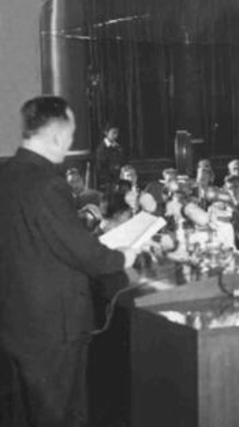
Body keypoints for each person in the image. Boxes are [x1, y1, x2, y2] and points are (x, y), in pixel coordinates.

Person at [0, 96, 140, 427]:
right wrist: (124, 255)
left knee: (24, 415)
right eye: (72, 131)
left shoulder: (7, 175)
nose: (72, 141)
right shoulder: (47, 183)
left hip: (17, 323)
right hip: (53, 327)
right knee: (62, 416)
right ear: (57, 135)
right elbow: (83, 253)